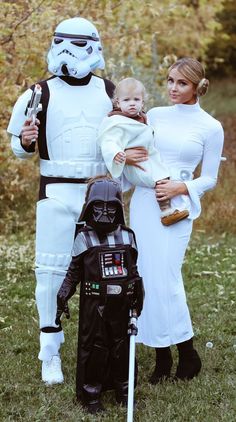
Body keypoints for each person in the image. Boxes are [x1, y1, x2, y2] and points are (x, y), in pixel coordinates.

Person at [7, 17, 115, 385]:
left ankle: (102, 345)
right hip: (55, 190)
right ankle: (49, 352)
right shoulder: (38, 93)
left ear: (95, 46)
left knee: (105, 269)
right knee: (50, 275)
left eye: (79, 43)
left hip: (100, 192)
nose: (70, 51)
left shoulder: (110, 91)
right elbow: (18, 148)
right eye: (62, 42)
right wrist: (24, 140)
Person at [127, 57, 224, 382]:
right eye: (170, 80)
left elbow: (209, 178)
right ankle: (162, 357)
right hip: (145, 202)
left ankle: (188, 353)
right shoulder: (153, 115)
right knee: (145, 277)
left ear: (197, 86)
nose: (172, 88)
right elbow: (140, 155)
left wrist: (181, 185)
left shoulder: (210, 126)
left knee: (167, 279)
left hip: (177, 208)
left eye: (181, 83)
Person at [55, 176, 144, 413]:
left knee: (122, 347)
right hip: (94, 304)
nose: (104, 212)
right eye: (98, 206)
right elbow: (73, 272)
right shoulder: (84, 238)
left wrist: (137, 296)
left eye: (110, 207)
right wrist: (63, 294)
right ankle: (90, 395)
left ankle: (125, 390)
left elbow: (134, 272)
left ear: (118, 208)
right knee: (94, 349)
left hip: (121, 304)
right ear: (89, 206)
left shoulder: (128, 236)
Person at [98, 77, 189, 226]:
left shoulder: (141, 118)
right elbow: (109, 141)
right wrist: (117, 153)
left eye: (136, 99)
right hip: (136, 165)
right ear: (117, 103)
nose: (132, 103)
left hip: (148, 159)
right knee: (160, 179)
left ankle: (169, 209)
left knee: (165, 176)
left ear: (143, 102)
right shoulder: (116, 122)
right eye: (126, 100)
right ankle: (166, 212)